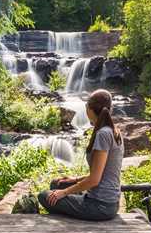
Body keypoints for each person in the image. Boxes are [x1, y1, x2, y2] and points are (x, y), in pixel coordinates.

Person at [38, 89, 123, 221]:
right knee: (57, 184)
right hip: (108, 201)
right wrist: (75, 179)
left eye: (86, 106)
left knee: (44, 196)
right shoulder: (114, 131)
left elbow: (95, 179)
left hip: (101, 205)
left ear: (89, 109)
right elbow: (102, 172)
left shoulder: (103, 134)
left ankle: (69, 224)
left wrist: (64, 193)